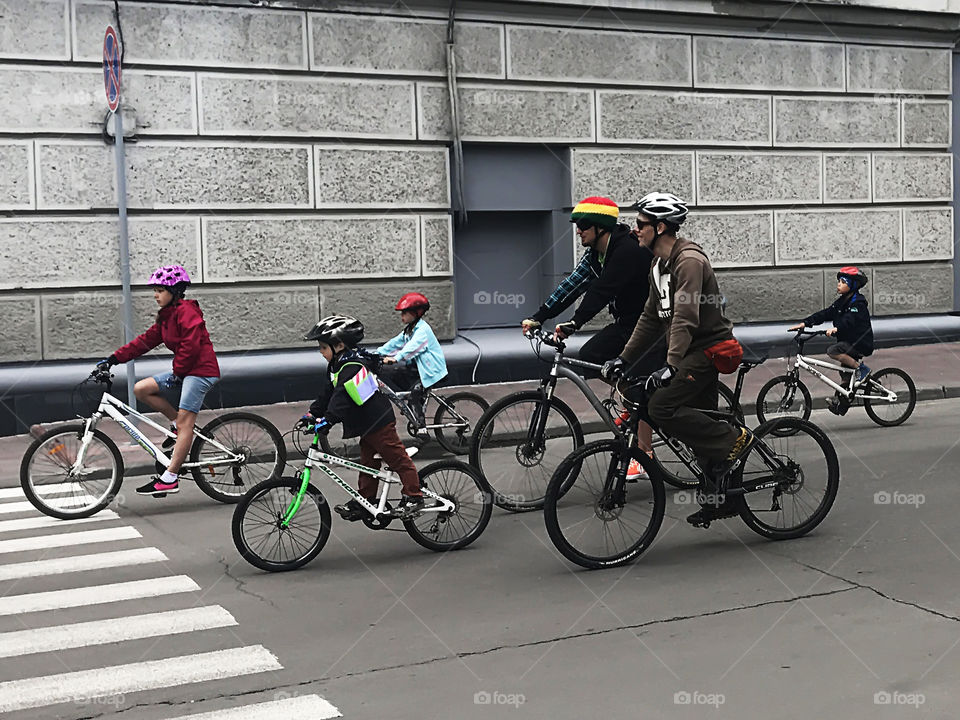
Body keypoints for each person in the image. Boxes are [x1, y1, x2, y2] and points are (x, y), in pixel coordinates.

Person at [601, 192, 751, 527]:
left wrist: (671, 365)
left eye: (641, 224)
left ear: (661, 226)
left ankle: (733, 439)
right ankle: (719, 498)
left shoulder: (689, 261)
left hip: (709, 349)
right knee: (696, 419)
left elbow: (685, 316)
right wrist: (624, 358)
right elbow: (650, 318)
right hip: (688, 350)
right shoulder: (657, 265)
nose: (634, 230)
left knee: (660, 407)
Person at [521, 195, 664, 479]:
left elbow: (602, 291)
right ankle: (633, 403)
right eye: (577, 225)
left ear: (600, 228)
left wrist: (575, 322)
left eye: (583, 225)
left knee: (637, 386)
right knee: (589, 357)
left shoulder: (626, 251)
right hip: (627, 323)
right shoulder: (597, 255)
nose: (578, 231)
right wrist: (539, 315)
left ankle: (644, 453)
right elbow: (572, 285)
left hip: (652, 326)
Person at [96, 265, 220, 497]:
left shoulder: (186, 312)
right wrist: (113, 359)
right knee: (142, 389)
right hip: (184, 371)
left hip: (201, 371)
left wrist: (178, 373)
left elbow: (191, 346)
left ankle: (170, 477)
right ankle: (176, 426)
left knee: (186, 423)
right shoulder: (167, 317)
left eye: (160, 290)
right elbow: (144, 342)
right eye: (155, 289)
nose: (155, 294)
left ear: (174, 291)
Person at [301, 315, 424, 519]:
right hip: (366, 425)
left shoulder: (352, 366)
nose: (321, 352)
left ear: (339, 345)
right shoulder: (337, 365)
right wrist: (312, 413)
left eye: (323, 347)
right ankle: (366, 500)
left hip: (379, 423)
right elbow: (328, 393)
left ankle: (414, 496)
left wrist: (328, 420)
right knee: (367, 464)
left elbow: (341, 397)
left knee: (397, 458)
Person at [789, 266, 874, 415]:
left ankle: (862, 369)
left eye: (843, 281)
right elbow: (825, 314)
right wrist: (805, 323)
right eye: (838, 281)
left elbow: (850, 320)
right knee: (845, 377)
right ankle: (841, 404)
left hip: (860, 343)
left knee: (833, 350)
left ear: (852, 285)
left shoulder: (857, 304)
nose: (838, 284)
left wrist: (837, 329)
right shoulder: (841, 302)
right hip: (848, 344)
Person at [375, 292, 448, 425]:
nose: (401, 316)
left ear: (416, 313)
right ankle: (414, 404)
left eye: (405, 312)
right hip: (417, 370)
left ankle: (421, 428)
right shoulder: (410, 329)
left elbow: (413, 348)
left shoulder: (422, 331)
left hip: (430, 371)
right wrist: (376, 354)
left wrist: (396, 358)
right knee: (394, 374)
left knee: (415, 395)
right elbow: (395, 343)